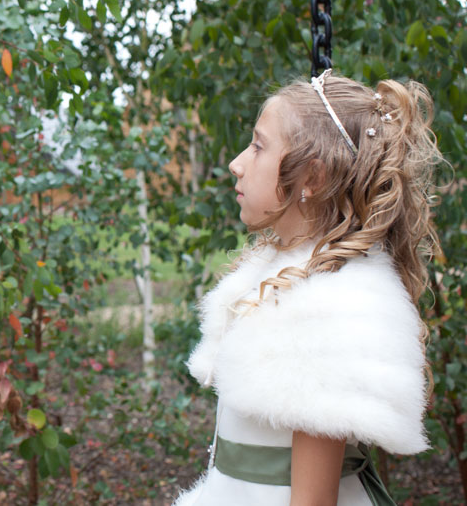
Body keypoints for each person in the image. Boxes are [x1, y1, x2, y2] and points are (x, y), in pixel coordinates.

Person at [173, 70, 442, 505]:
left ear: (312, 177)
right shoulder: (290, 279)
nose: (237, 163)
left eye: (258, 146)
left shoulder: (328, 308)